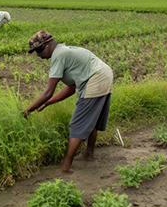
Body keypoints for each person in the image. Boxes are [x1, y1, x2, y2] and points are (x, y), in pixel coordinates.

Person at [22, 30, 113, 173]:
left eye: (38, 50)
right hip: (104, 74)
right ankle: (88, 154)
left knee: (76, 125)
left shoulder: (59, 56)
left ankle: (65, 166)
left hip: (95, 79)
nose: (38, 55)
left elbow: (47, 92)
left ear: (46, 46)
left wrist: (27, 111)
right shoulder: (65, 51)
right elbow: (71, 87)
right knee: (92, 119)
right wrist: (48, 103)